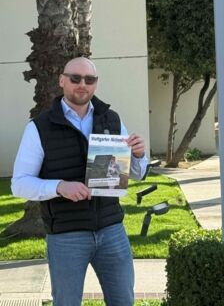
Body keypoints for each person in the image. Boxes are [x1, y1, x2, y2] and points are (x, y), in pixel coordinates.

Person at [11, 57, 148, 306]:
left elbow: (136, 174)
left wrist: (138, 155)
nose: (82, 84)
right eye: (75, 78)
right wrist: (59, 187)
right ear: (61, 80)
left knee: (123, 301)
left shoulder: (112, 119)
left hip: (111, 230)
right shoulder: (39, 127)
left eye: (89, 79)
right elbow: (19, 184)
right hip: (67, 236)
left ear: (96, 83)